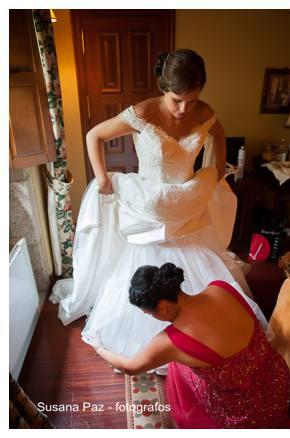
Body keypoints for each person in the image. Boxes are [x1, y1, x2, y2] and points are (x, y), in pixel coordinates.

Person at [53, 49, 265, 369]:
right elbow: (94, 135)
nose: (183, 109)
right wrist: (101, 177)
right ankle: (151, 339)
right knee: (141, 270)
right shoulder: (141, 112)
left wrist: (214, 171)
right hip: (149, 205)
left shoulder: (206, 113)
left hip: (185, 204)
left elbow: (218, 135)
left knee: (198, 270)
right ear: (164, 88)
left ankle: (199, 332)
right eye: (176, 100)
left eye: (191, 101)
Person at [96, 263, 290, 428]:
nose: (153, 318)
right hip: (279, 383)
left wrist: (99, 348)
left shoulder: (168, 342)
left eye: (150, 314)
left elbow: (128, 367)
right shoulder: (220, 287)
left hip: (247, 411)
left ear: (162, 307)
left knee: (177, 364)